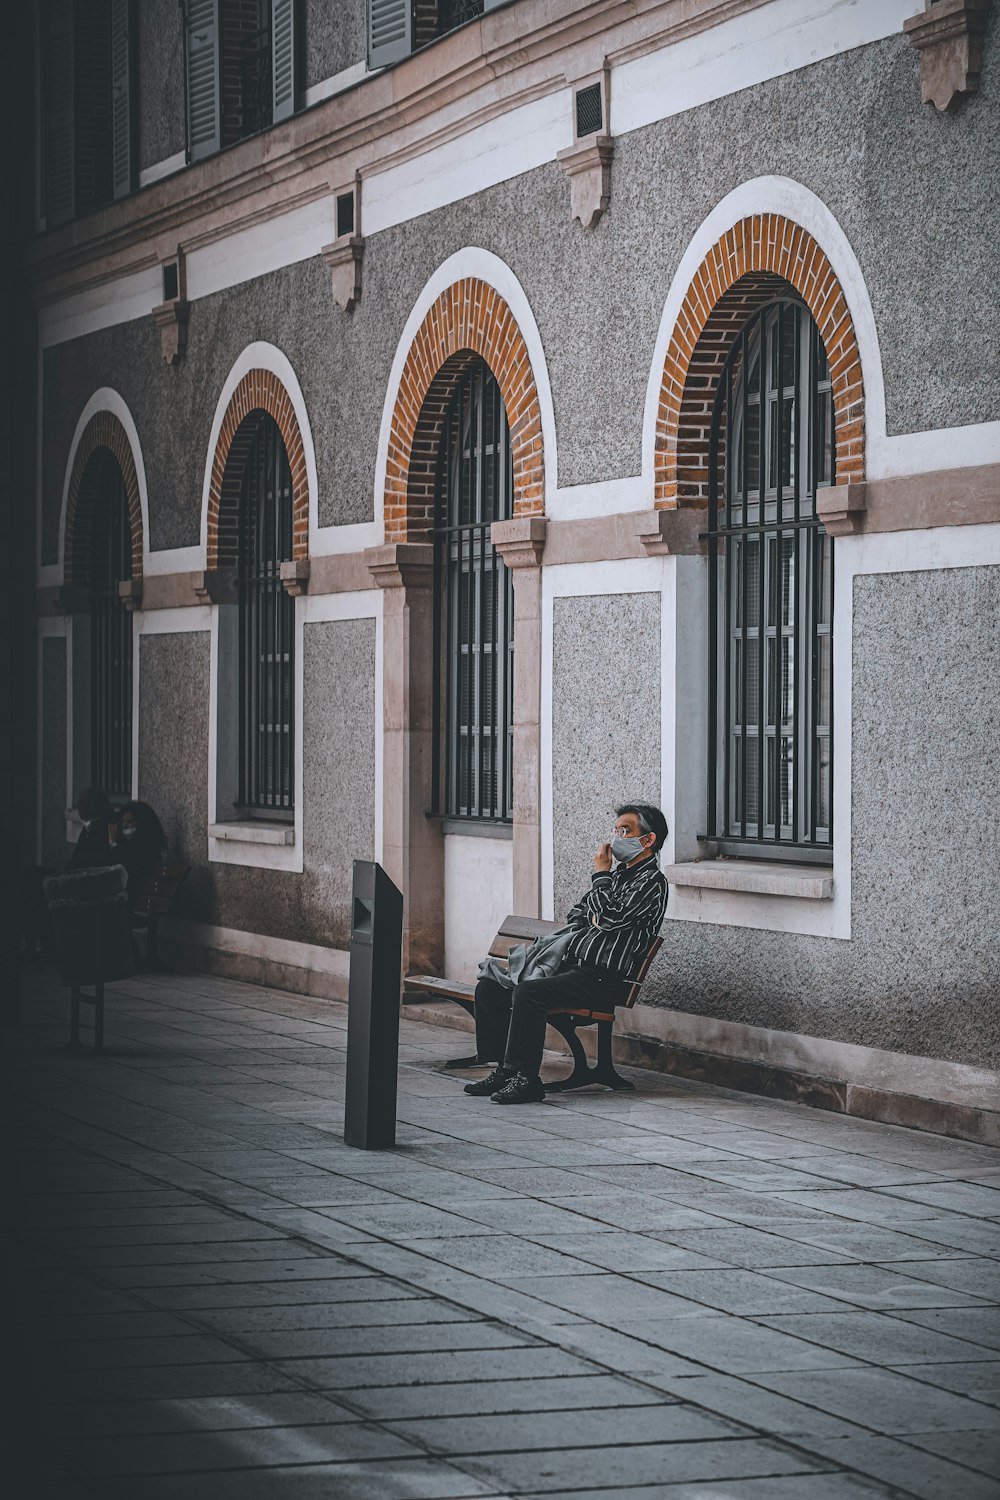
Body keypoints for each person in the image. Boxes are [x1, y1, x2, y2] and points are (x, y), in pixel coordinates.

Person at [467, 802, 669, 1105]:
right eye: (615, 831)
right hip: (571, 969)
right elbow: (579, 913)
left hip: (601, 978)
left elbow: (611, 919)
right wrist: (599, 908)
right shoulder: (616, 879)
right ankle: (504, 1070)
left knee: (528, 993)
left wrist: (600, 879)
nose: (615, 840)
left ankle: (526, 1080)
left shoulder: (651, 882)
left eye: (624, 831)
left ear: (648, 840)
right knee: (490, 986)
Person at [109, 800, 167, 890]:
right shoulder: (125, 845)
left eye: (129, 822)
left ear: (141, 824)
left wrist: (115, 844)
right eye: (123, 821)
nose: (124, 825)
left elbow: (127, 871)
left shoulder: (146, 848)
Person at [66, 787, 115, 870]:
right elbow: (76, 856)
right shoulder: (89, 826)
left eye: (81, 802)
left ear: (90, 808)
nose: (77, 806)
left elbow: (97, 863)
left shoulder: (107, 829)